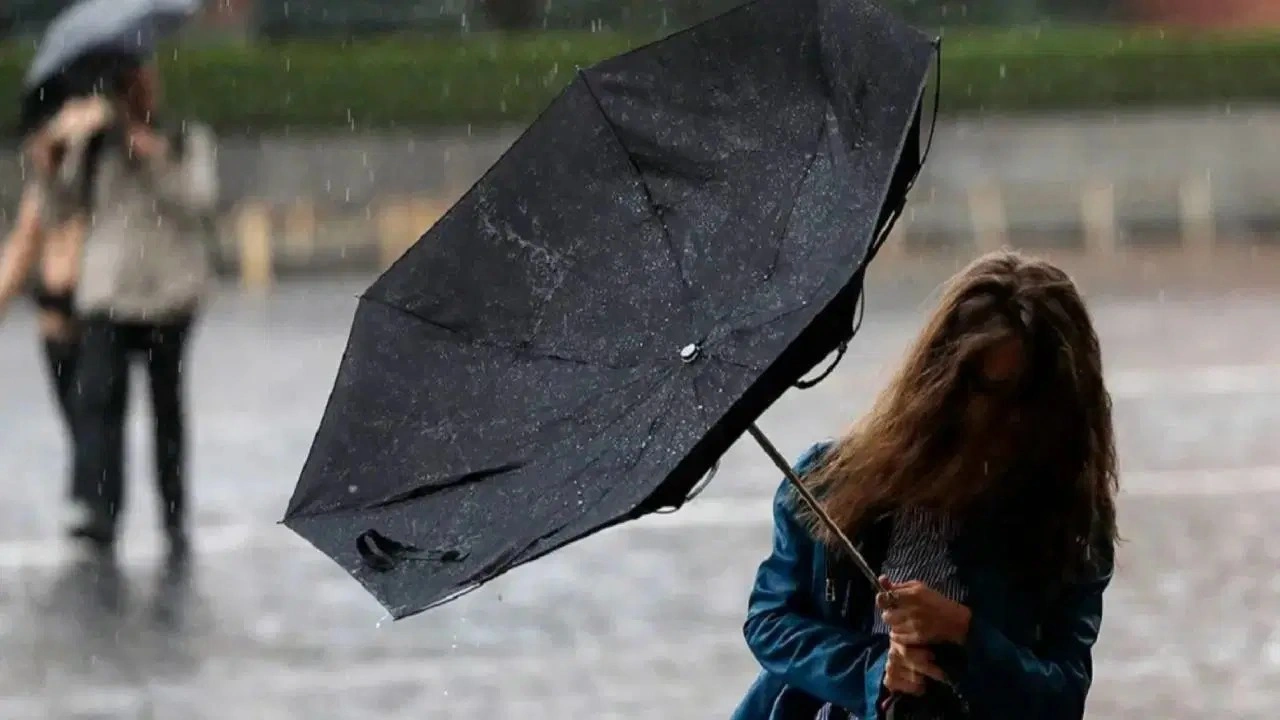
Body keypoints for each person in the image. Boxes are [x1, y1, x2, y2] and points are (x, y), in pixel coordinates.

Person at [731, 250, 1119, 720]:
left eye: (1028, 401)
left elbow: (1061, 697)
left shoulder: (1069, 523)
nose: (1006, 420)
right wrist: (874, 671)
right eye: (987, 392)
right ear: (943, 380)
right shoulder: (829, 482)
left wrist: (965, 633)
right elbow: (771, 621)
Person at [51, 58, 218, 560]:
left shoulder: (185, 138)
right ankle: (101, 513)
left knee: (168, 409)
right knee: (101, 403)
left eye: (144, 84)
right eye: (128, 87)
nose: (138, 95)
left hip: (169, 295)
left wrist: (156, 157)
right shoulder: (94, 144)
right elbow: (61, 207)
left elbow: (200, 202)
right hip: (109, 296)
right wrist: (58, 154)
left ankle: (174, 514)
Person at [0, 97, 111, 511]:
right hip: (55, 320)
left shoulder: (96, 189)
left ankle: (93, 499)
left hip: (91, 315)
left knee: (91, 413)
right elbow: (18, 253)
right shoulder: (41, 198)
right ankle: (90, 497)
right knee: (78, 417)